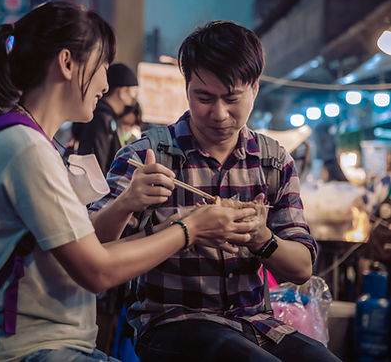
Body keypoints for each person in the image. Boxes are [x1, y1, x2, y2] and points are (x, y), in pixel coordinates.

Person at [0, 2, 260, 362]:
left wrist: (130, 204)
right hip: (25, 351)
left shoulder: (32, 142)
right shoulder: (26, 149)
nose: (105, 83)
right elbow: (97, 270)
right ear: (68, 62)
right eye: (102, 66)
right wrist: (189, 229)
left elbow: (86, 246)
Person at [89, 21, 341, 362]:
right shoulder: (146, 156)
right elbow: (91, 250)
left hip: (255, 324)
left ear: (254, 87)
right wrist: (126, 203)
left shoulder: (272, 161)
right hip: (172, 324)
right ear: (187, 86)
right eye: (203, 97)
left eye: (231, 98)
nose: (218, 114)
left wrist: (261, 237)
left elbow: (301, 269)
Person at [74, 63, 139, 175]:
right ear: (122, 92)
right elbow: (96, 167)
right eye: (133, 93)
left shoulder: (106, 118)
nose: (134, 99)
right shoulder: (102, 119)